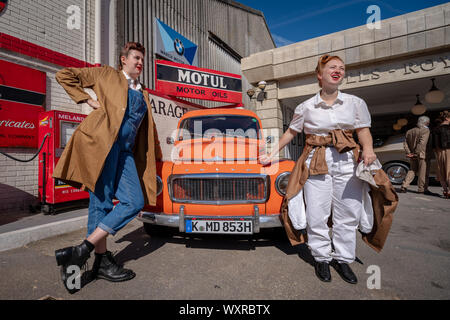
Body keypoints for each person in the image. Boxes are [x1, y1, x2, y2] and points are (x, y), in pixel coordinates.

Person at [259, 54, 381, 284]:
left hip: (347, 159)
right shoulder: (305, 107)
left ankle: (344, 259)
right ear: (319, 74)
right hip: (316, 160)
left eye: (342, 68)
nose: (338, 70)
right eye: (332, 67)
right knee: (317, 212)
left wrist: (368, 149)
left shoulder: (355, 103)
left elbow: (363, 130)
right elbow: (291, 133)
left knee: (348, 212)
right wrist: (271, 153)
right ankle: (322, 257)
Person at [53, 42, 162, 292]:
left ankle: (83, 249)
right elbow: (64, 75)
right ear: (123, 60)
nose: (140, 63)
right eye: (136, 58)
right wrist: (87, 100)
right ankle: (99, 263)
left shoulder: (143, 91)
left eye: (142, 60)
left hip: (125, 153)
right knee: (100, 203)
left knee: (134, 201)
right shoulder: (105, 74)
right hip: (102, 146)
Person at [400, 116, 432, 194]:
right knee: (423, 172)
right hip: (422, 154)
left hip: (412, 154)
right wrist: (416, 154)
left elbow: (405, 143)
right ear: (427, 122)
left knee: (412, 170)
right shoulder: (426, 130)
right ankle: (422, 189)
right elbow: (422, 143)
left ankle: (404, 186)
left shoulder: (410, 131)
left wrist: (409, 153)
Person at [432, 110, 450, 198]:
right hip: (449, 150)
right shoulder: (449, 128)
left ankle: (446, 191)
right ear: (447, 118)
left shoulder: (436, 129)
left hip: (438, 151)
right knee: (449, 170)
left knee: (441, 171)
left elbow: (433, 143)